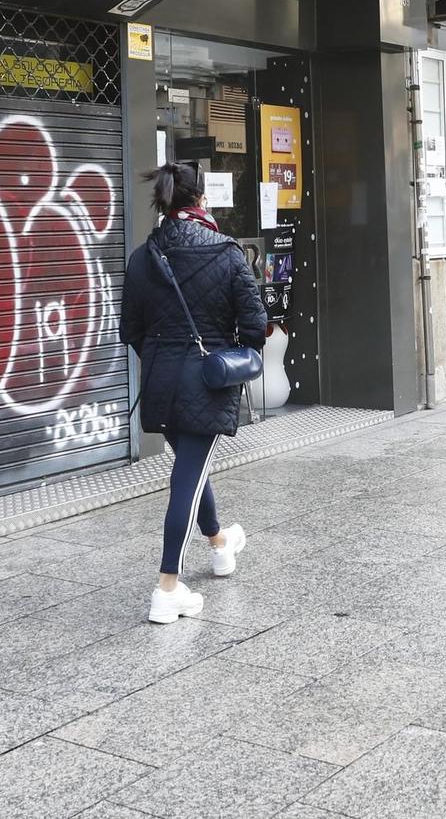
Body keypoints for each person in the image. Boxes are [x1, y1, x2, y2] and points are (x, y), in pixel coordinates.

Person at [119, 162, 269, 625]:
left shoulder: (144, 256)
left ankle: (221, 545)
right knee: (186, 478)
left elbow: (132, 330)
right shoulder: (225, 253)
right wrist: (224, 348)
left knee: (191, 466)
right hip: (205, 380)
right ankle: (167, 587)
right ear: (200, 201)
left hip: (160, 381)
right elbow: (256, 326)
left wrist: (165, 355)